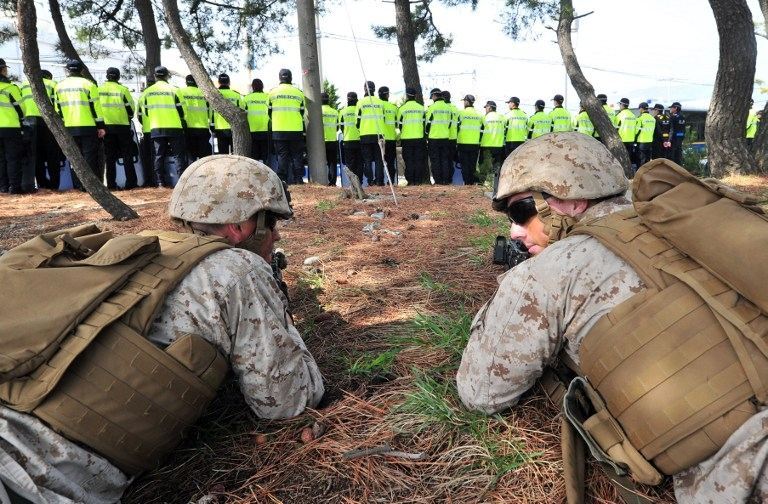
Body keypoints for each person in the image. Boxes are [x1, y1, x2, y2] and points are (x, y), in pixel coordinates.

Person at [457, 132, 768, 504]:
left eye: (520, 211)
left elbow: (482, 392)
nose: (514, 230)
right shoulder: (683, 219)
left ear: (570, 199)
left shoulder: (551, 271)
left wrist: (508, 294)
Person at [0, 155, 324, 503]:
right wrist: (278, 308)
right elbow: (289, 402)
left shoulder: (134, 251)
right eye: (272, 223)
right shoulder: (237, 269)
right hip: (28, 477)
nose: (275, 235)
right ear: (243, 226)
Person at [54, 59, 105, 190]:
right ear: (81, 70)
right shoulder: (89, 84)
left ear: (67, 70)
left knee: (75, 157)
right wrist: (101, 126)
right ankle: (91, 186)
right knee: (90, 157)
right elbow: (96, 108)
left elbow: (57, 109)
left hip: (69, 127)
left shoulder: (59, 86)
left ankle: (78, 184)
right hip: (88, 126)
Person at [139, 66, 187, 187]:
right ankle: (181, 182)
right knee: (178, 155)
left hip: (156, 128)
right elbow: (182, 110)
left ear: (155, 76)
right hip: (175, 127)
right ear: (167, 76)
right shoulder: (175, 90)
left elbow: (143, 113)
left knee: (158, 155)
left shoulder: (147, 92)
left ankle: (160, 182)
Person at [20, 69, 62, 191]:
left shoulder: (24, 85)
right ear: (48, 76)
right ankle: (54, 185)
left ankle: (42, 184)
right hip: (48, 121)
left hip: (29, 122)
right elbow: (56, 104)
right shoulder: (52, 84)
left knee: (36, 155)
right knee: (52, 155)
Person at [99, 67, 137, 190]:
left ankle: (111, 185)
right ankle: (130, 183)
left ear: (106, 76)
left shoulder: (99, 90)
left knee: (110, 157)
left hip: (106, 127)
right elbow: (130, 109)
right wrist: (128, 117)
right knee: (127, 156)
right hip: (122, 126)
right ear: (118, 77)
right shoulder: (122, 90)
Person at [268, 68, 305, 184]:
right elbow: (302, 111)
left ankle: (282, 179)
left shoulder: (272, 93)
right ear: (291, 78)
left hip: (279, 129)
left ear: (279, 78)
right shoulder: (299, 93)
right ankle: (298, 179)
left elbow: (268, 112)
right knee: (296, 156)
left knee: (282, 156)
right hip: (296, 130)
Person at [356, 81, 385, 185]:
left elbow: (357, 122)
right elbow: (384, 119)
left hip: (365, 135)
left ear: (364, 89)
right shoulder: (380, 102)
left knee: (367, 160)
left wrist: (361, 129)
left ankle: (370, 181)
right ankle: (379, 181)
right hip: (379, 134)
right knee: (379, 160)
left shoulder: (360, 103)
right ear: (374, 88)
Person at [397, 87, 426, 185]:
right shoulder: (421, 108)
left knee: (408, 160)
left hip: (406, 139)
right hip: (419, 138)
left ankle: (410, 181)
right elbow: (424, 123)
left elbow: (399, 124)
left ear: (407, 95)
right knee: (418, 160)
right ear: (415, 96)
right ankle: (418, 181)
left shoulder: (402, 109)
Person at [180, 74, 213, 163]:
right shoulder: (204, 93)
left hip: (188, 128)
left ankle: (192, 175)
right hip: (203, 128)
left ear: (186, 82)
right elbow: (210, 110)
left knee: (191, 157)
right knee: (204, 158)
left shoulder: (181, 92)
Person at [212, 73, 244, 155]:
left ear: (218, 82)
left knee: (222, 155)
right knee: (235, 154)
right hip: (234, 128)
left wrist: (212, 127)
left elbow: (211, 112)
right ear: (229, 82)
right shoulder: (236, 95)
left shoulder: (214, 95)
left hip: (219, 128)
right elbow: (242, 111)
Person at [425, 88, 452, 184]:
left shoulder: (432, 108)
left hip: (434, 138)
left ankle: (438, 181)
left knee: (435, 160)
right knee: (445, 160)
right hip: (445, 137)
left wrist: (427, 135)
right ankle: (445, 180)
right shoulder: (448, 108)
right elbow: (449, 123)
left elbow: (427, 124)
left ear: (434, 96)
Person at [456, 94, 482, 185]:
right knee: (472, 165)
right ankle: (471, 183)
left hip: (463, 143)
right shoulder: (479, 114)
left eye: (464, 101)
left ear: (467, 102)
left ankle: (467, 183)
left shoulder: (460, 113)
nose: (464, 103)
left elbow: (456, 127)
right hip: (475, 143)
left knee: (464, 165)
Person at [480, 100, 505, 192]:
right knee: (497, 167)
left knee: (484, 166)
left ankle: (482, 184)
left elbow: (481, 131)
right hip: (498, 145)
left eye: (486, 107)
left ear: (489, 107)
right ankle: (496, 186)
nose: (485, 109)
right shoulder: (502, 117)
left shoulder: (485, 118)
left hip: (487, 145)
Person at [137, 78, 157, 187]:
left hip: (148, 130)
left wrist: (145, 124)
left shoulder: (143, 95)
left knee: (148, 157)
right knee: (158, 155)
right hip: (162, 128)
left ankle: (150, 180)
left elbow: (139, 115)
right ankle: (160, 180)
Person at [245, 78, 270, 163]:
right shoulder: (267, 97)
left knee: (254, 156)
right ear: (262, 86)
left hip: (252, 130)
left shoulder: (247, 98)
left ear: (253, 87)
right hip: (265, 130)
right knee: (265, 155)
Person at [339, 91, 362, 181]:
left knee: (350, 163)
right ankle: (359, 182)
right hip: (359, 139)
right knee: (360, 162)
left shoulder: (342, 111)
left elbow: (341, 127)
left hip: (348, 139)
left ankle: (352, 183)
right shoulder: (359, 109)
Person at [379, 86, 398, 184]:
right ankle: (391, 181)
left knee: (380, 162)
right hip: (391, 138)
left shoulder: (377, 106)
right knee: (390, 162)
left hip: (380, 138)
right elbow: (397, 123)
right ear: (387, 95)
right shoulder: (394, 108)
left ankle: (380, 181)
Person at [321, 92, 339, 185]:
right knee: (332, 163)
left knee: (321, 162)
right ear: (328, 100)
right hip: (332, 140)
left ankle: (321, 181)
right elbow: (338, 128)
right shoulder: (335, 112)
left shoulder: (318, 111)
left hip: (321, 141)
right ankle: (333, 182)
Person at [443, 90, 459, 181]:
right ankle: (449, 179)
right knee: (450, 161)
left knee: (444, 160)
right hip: (453, 138)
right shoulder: (455, 109)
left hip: (444, 137)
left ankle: (445, 179)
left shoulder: (443, 108)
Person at [634, 102, 655, 168]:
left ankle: (640, 174)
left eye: (639, 109)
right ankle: (647, 174)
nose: (639, 110)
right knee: (647, 159)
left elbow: (636, 131)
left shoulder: (640, 118)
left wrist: (634, 139)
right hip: (649, 141)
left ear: (641, 109)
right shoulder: (652, 118)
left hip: (641, 141)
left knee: (640, 159)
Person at [615, 97, 637, 161]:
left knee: (622, 157)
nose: (619, 106)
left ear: (622, 105)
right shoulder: (633, 115)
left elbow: (615, 127)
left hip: (622, 139)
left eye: (620, 104)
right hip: (631, 139)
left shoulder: (620, 115)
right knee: (629, 157)